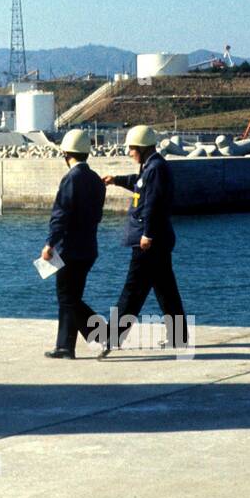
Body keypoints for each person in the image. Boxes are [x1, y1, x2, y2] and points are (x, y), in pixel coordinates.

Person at [99, 124, 188, 355]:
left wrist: (147, 234)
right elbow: (138, 184)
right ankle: (179, 338)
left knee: (133, 290)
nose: (129, 152)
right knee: (166, 290)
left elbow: (153, 204)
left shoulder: (156, 168)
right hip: (156, 240)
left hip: (148, 242)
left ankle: (111, 338)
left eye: (131, 148)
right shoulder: (151, 167)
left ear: (141, 147)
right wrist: (115, 180)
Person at [40, 128, 107, 359]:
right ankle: (65, 346)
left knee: (67, 298)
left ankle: (102, 334)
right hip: (89, 247)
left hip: (70, 249)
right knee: (72, 297)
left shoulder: (71, 178)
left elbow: (61, 214)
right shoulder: (96, 180)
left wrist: (50, 243)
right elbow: (96, 215)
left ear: (66, 154)